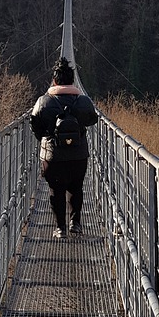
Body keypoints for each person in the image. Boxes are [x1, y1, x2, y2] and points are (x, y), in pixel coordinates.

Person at [30, 58, 98, 239]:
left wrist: (45, 138)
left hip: (53, 157)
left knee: (56, 189)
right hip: (78, 155)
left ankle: (60, 228)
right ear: (72, 81)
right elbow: (93, 119)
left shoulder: (43, 102)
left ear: (54, 81)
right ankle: (75, 223)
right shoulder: (83, 101)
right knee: (76, 187)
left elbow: (34, 124)